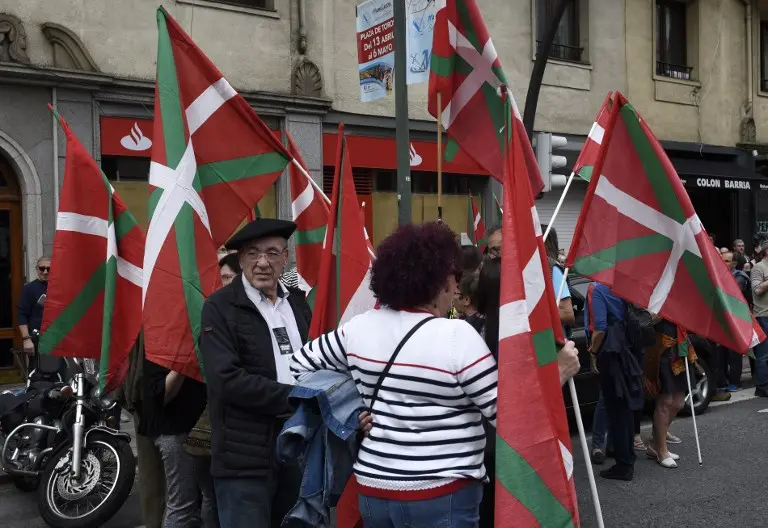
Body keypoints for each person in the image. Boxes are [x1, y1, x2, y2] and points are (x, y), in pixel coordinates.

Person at [290, 223, 581, 528]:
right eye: (455, 280)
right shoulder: (458, 336)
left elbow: (299, 366)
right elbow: (507, 417)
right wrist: (558, 372)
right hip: (443, 493)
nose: (457, 289)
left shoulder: (358, 327)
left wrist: (352, 409)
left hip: (374, 488)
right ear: (441, 282)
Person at [199, 219, 312, 528]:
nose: (263, 262)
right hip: (243, 458)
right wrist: (297, 398)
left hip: (296, 447)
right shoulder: (220, 307)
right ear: (241, 259)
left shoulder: (298, 304)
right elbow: (226, 380)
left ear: (285, 258)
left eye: (272, 253)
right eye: (253, 253)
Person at [585, 283, 643, 480]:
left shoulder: (597, 289)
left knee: (615, 408)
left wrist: (593, 354)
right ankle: (627, 458)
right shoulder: (621, 286)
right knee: (624, 409)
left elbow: (599, 328)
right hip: (626, 350)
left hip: (610, 353)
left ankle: (623, 465)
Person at [143, 352, 208, 526]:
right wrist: (184, 362)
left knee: (209, 497)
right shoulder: (161, 342)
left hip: (201, 425)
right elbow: (161, 395)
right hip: (175, 429)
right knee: (182, 505)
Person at [644, 320, 695, 468]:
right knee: (665, 401)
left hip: (682, 346)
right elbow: (646, 318)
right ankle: (661, 450)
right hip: (662, 349)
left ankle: (655, 442)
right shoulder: (655, 297)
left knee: (679, 402)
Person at [18, 256, 50, 363]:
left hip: (57, 339)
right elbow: (22, 314)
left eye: (48, 269)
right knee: (37, 375)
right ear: (37, 269)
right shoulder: (29, 288)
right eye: (42, 268)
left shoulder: (58, 288)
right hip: (36, 339)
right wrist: (26, 339)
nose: (45, 272)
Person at [750, 241, 768, 398]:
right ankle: (762, 386)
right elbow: (757, 290)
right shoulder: (758, 268)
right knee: (764, 354)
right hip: (763, 315)